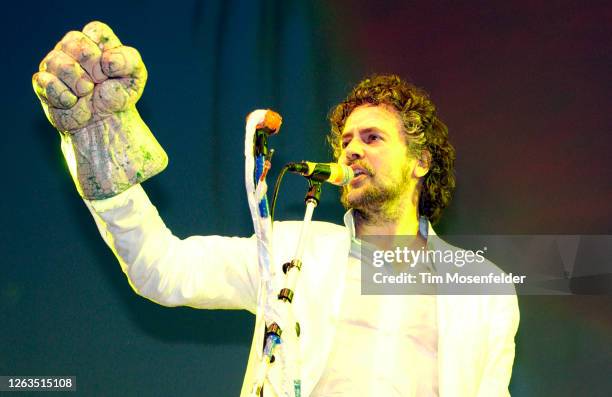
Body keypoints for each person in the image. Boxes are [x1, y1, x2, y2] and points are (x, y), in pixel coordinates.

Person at [33, 21, 519, 397]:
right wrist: (98, 150)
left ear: (420, 162)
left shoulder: (484, 290)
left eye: (373, 138)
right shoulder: (291, 251)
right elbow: (162, 268)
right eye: (346, 140)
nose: (351, 150)